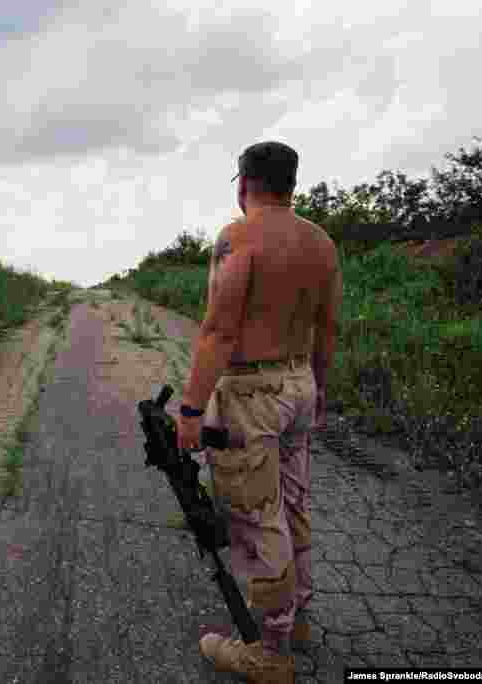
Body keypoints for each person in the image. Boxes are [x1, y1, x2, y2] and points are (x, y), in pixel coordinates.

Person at [175, 141, 342, 683]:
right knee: (292, 502)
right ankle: (296, 619)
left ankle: (270, 652)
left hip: (252, 393)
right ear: (291, 184)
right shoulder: (321, 241)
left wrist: (192, 408)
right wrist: (318, 389)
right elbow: (328, 329)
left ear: (243, 182)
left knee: (255, 514)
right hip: (299, 384)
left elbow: (220, 330)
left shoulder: (238, 236)